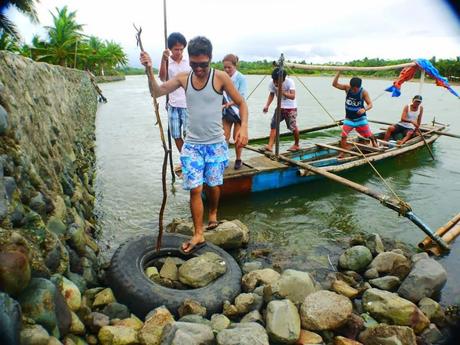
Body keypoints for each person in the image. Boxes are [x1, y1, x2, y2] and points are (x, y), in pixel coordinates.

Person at [140, 36, 249, 254]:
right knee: (195, 188)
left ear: (210, 59)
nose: (199, 69)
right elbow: (157, 92)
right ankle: (198, 233)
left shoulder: (220, 78)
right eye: (194, 64)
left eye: (203, 64)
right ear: (189, 60)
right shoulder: (183, 78)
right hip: (192, 144)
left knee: (213, 185)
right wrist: (149, 70)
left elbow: (241, 103)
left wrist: (243, 127)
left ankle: (213, 212)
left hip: (217, 143)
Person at [159, 32, 191, 153]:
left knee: (189, 135)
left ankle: (190, 158)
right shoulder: (167, 62)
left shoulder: (188, 63)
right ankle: (185, 158)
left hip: (188, 104)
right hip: (173, 104)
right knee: (176, 135)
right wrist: (163, 60)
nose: (179, 52)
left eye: (181, 49)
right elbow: (163, 79)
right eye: (176, 49)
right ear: (170, 49)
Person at [332, 72, 376, 156]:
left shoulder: (364, 92)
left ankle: (374, 142)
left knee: (369, 135)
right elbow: (334, 84)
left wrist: (364, 109)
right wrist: (339, 72)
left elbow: (370, 104)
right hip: (349, 119)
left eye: (356, 88)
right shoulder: (347, 88)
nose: (354, 90)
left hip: (360, 119)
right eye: (353, 88)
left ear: (359, 87)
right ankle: (343, 152)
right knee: (343, 136)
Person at [263, 67, 299, 152]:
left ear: (283, 79)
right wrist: (267, 105)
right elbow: (271, 94)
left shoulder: (289, 81)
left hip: (290, 107)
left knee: (292, 127)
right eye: (274, 81)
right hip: (279, 107)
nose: (275, 83)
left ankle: (296, 144)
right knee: (273, 124)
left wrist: (282, 92)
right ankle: (270, 146)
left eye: (277, 81)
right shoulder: (272, 82)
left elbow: (293, 96)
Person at [222, 54, 248, 169]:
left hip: (238, 112)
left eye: (229, 67)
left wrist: (230, 103)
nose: (227, 70)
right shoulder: (222, 77)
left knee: (237, 137)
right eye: (225, 67)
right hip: (226, 112)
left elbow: (242, 97)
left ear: (235, 66)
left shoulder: (241, 78)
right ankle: (223, 159)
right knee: (224, 137)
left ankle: (238, 159)